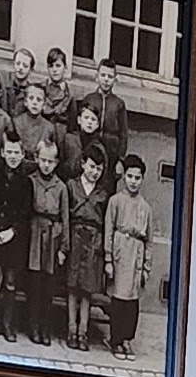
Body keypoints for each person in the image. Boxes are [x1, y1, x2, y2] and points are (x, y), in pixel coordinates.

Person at [0, 128, 32, 339]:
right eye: (9, 152)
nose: (13, 156)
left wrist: (13, 231)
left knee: (11, 279)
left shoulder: (26, 182)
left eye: (16, 153)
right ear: (3, 153)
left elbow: (25, 213)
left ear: (23, 155)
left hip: (14, 237)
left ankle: (8, 325)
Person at [106, 153, 154, 354]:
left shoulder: (146, 208)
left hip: (136, 255)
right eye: (130, 176)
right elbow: (108, 230)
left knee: (132, 300)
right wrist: (108, 259)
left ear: (142, 179)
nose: (133, 181)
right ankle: (115, 339)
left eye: (137, 177)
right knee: (119, 298)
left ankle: (127, 339)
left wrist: (146, 267)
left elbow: (149, 240)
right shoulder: (115, 201)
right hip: (120, 252)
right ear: (124, 176)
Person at [26, 132, 70, 347]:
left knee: (48, 287)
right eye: (43, 160)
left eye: (50, 161)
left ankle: (45, 327)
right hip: (35, 233)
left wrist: (63, 247)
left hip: (52, 237)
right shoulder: (31, 181)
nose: (46, 165)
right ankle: (33, 326)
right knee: (34, 284)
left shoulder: (61, 187)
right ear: (36, 158)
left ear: (56, 163)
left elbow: (65, 217)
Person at [65, 148, 108, 351]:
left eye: (99, 168)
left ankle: (83, 332)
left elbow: (104, 222)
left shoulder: (103, 193)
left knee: (87, 289)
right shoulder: (71, 186)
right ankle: (71, 330)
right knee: (72, 285)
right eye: (91, 166)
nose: (94, 172)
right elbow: (65, 215)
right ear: (83, 164)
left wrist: (100, 245)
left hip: (93, 241)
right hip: (75, 237)